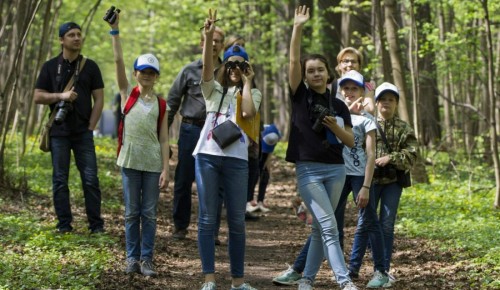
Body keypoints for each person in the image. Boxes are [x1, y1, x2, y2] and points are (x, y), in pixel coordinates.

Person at [286, 5, 357, 290]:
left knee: (319, 228)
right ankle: (344, 281)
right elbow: (292, 61)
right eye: (310, 71)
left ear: (329, 74)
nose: (315, 74)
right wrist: (298, 27)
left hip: (336, 170)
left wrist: (335, 127)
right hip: (309, 171)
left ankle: (306, 280)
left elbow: (351, 141)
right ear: (305, 76)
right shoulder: (300, 95)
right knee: (329, 227)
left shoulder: (339, 104)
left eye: (320, 70)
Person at [195, 10, 261, 290]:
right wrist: (209, 36)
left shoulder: (252, 92)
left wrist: (247, 82)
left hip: (236, 160)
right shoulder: (212, 90)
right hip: (208, 156)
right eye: (231, 65)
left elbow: (247, 112)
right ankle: (209, 278)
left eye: (240, 65)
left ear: (246, 69)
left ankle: (237, 281)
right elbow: (208, 68)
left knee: (236, 220)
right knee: (208, 217)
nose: (234, 69)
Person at [107, 14, 169, 277]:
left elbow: (165, 139)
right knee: (132, 213)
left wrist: (167, 168)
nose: (147, 75)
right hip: (130, 161)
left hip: (153, 163)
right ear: (135, 74)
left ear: (156, 77)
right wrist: (115, 31)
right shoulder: (126, 95)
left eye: (151, 72)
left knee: (150, 215)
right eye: (143, 71)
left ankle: (147, 260)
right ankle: (131, 259)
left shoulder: (162, 104)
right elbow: (119, 60)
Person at [34, 22, 105, 234]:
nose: (76, 38)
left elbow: (99, 98)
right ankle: (64, 225)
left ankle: (96, 226)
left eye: (79, 35)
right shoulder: (50, 66)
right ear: (61, 40)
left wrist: (91, 126)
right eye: (71, 35)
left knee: (91, 179)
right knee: (59, 180)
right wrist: (60, 96)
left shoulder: (90, 66)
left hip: (83, 132)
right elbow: (37, 96)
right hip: (58, 132)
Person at [167, 21, 225, 240]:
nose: (213, 45)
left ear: (222, 45)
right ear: (202, 42)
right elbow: (172, 102)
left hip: (218, 132)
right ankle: (180, 226)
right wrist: (162, 139)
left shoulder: (227, 71)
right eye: (210, 40)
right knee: (184, 178)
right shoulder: (189, 70)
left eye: (218, 42)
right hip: (191, 129)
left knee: (215, 181)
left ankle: (211, 229)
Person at [369, 82, 417, 284]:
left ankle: (384, 270)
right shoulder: (368, 123)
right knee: (369, 225)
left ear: (396, 103)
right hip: (369, 182)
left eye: (391, 99)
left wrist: (391, 158)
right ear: (377, 102)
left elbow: (412, 154)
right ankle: (366, 267)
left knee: (387, 225)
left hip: (393, 182)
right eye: (383, 99)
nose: (386, 103)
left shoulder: (404, 128)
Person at [247, 123, 281, 212]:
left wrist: (266, 167)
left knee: (265, 174)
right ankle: (249, 200)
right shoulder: (261, 132)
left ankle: (260, 201)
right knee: (255, 174)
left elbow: (269, 153)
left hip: (263, 152)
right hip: (255, 152)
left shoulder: (276, 135)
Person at [335, 47, 375, 114]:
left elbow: (370, 109)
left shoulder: (367, 86)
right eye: (346, 61)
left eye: (353, 61)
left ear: (359, 65)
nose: (350, 64)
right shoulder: (332, 85)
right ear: (339, 65)